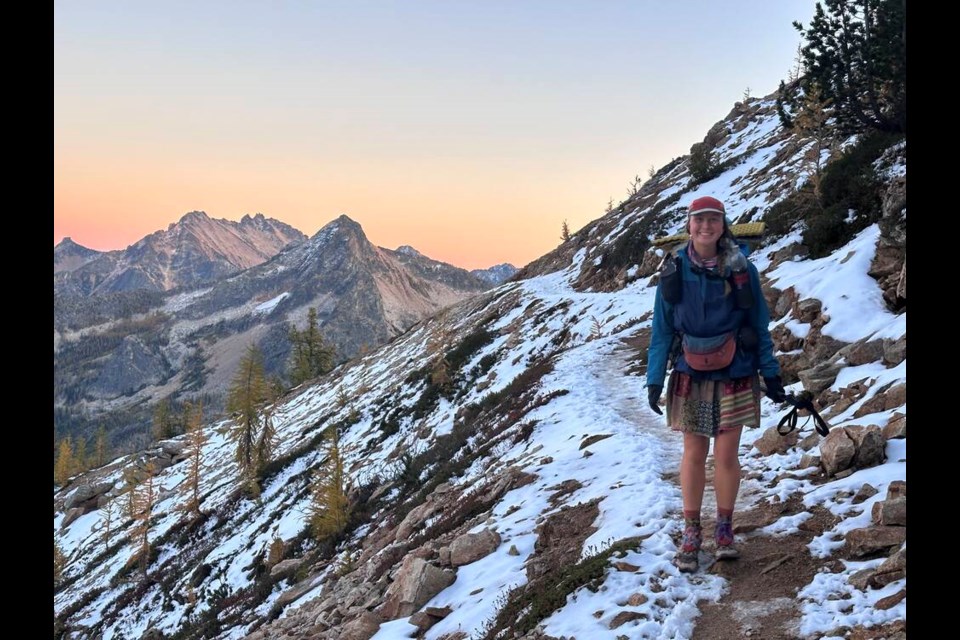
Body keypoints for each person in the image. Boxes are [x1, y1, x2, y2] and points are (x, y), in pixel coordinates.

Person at [645, 195, 785, 573]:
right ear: (689, 225)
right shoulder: (673, 272)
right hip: (691, 372)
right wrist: (654, 378)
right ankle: (692, 531)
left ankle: (724, 530)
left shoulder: (743, 269)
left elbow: (759, 324)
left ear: (723, 225)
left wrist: (769, 372)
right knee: (693, 452)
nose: (706, 226)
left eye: (713, 220)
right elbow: (661, 329)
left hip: (736, 370)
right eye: (699, 220)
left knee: (725, 454)